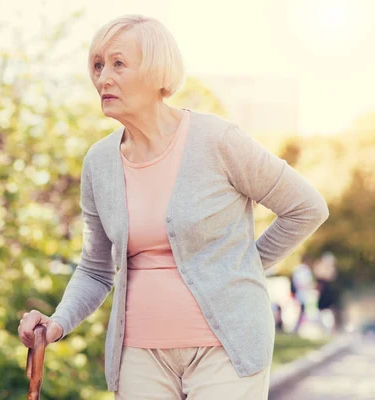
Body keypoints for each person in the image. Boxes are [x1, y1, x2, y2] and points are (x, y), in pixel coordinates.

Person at [17, 14, 329, 399]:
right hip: (140, 357)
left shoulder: (217, 141)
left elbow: (306, 207)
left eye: (118, 64)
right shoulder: (99, 163)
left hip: (226, 352)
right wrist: (57, 323)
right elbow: (96, 269)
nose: (103, 78)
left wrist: (243, 267)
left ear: (157, 72)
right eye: (98, 66)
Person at [291, 254, 316, 333]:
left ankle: (297, 327)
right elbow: (306, 282)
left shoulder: (298, 269)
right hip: (303, 293)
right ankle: (296, 327)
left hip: (301, 293)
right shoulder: (304, 270)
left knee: (302, 310)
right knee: (302, 310)